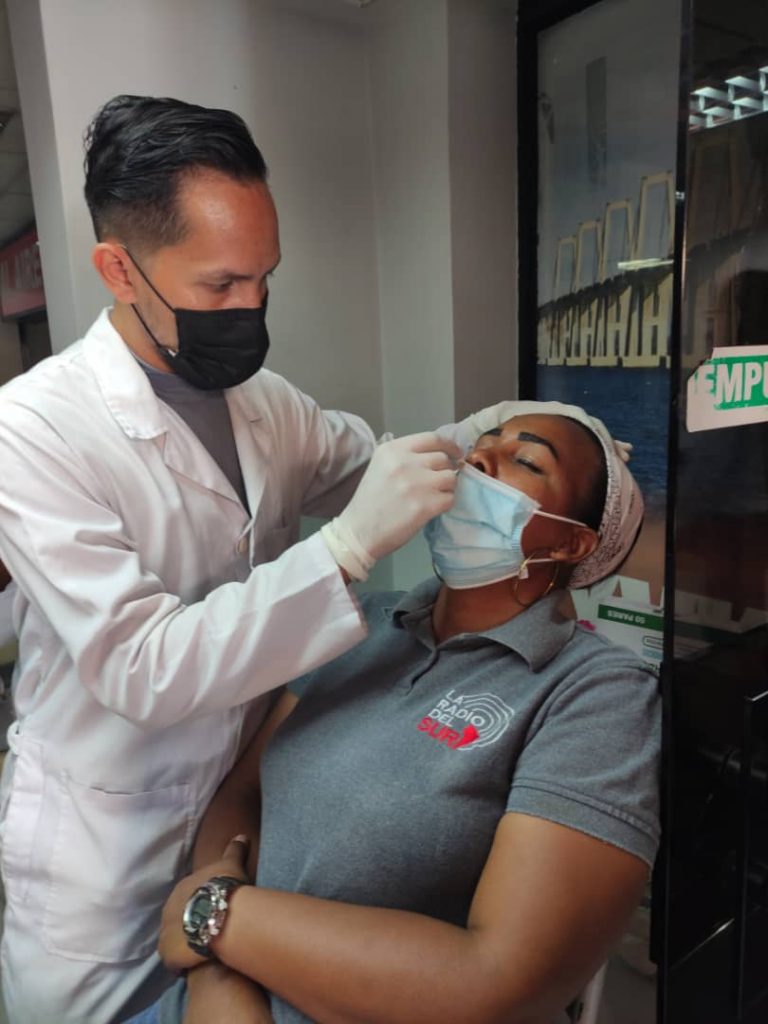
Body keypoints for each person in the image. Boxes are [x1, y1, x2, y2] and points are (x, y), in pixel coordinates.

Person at [0, 95, 512, 1024]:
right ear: (119, 269)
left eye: (265, 278)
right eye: (221, 285)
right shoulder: (32, 430)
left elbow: (375, 467)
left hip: (234, 834)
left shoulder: (265, 403)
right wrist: (346, 548)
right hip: (106, 854)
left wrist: (490, 437)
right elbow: (141, 665)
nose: (251, 307)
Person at [134, 402, 659, 1024]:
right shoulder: (365, 620)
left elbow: (496, 982)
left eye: (524, 461)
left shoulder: (597, 693)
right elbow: (243, 794)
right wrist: (219, 986)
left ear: (571, 541)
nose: (479, 458)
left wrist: (216, 919)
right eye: (484, 442)